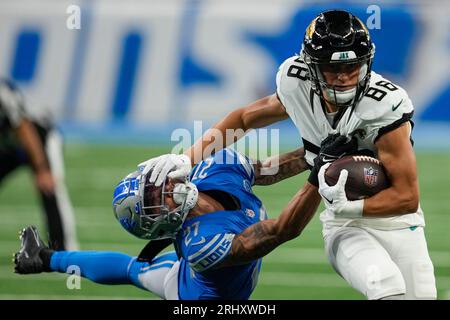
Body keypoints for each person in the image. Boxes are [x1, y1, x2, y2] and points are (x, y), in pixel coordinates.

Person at [140, 10, 437, 299]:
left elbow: (407, 198)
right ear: (311, 67)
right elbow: (245, 118)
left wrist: (349, 205)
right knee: (386, 286)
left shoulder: (383, 104)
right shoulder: (296, 82)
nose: (344, 77)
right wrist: (188, 158)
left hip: (397, 220)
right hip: (343, 225)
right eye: (333, 69)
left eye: (352, 67)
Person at [15, 146, 333, 299]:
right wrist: (320, 176)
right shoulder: (200, 244)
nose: (167, 188)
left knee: (132, 269)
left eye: (157, 184)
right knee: (136, 271)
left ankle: (43, 258)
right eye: (157, 199)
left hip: (194, 270)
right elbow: (282, 231)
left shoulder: (214, 169)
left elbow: (266, 170)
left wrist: (320, 150)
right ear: (160, 224)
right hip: (193, 297)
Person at [0, 78, 78, 250]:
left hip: (40, 140)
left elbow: (25, 127)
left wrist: (42, 168)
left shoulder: (3, 92)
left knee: (50, 190)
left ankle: (63, 249)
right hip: (11, 146)